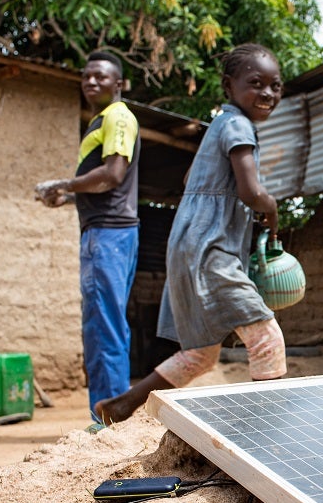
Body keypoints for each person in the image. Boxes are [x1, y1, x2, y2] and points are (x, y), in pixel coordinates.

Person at [92, 43, 286, 424]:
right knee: (266, 338)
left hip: (188, 248)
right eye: (256, 83)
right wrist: (272, 209)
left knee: (201, 354)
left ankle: (122, 405)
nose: (267, 93)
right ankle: (271, 424)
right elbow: (250, 191)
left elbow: (189, 179)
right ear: (229, 86)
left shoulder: (218, 127)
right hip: (209, 249)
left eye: (275, 86)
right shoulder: (237, 125)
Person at [35, 51, 141, 421]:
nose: (91, 81)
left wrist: (62, 183)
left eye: (100, 76)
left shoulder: (118, 116)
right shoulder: (100, 120)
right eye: (86, 76)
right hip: (108, 233)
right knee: (107, 324)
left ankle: (107, 419)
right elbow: (107, 187)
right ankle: (113, 414)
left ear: (119, 84)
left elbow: (112, 175)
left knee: (102, 327)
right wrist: (68, 197)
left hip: (109, 237)